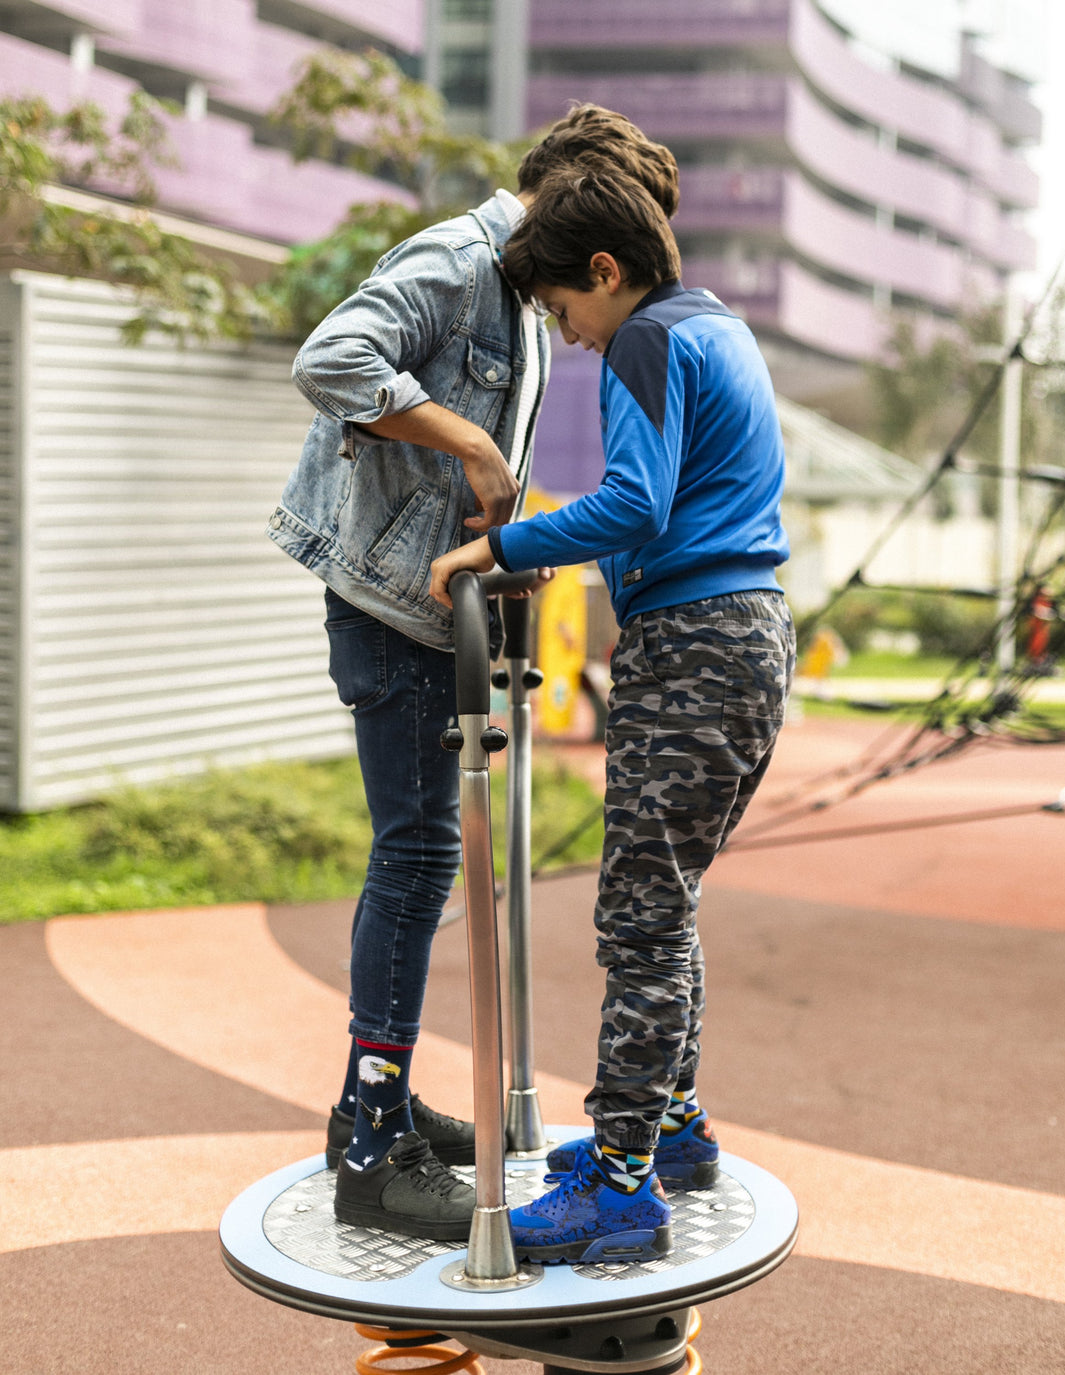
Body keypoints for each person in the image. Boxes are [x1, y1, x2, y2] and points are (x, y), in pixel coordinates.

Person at [267, 108, 680, 1241]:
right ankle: (368, 1141)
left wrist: (509, 549)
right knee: (415, 854)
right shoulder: (457, 260)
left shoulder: (520, 296)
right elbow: (330, 358)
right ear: (570, 199)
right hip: (384, 604)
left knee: (425, 853)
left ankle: (380, 1100)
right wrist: (477, 448)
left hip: (431, 595)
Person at [430, 167, 796, 1264]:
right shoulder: (714, 325)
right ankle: (668, 1131)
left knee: (637, 917)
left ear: (603, 271)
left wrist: (501, 544)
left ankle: (624, 1187)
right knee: (664, 903)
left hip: (692, 644)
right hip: (747, 631)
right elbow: (675, 498)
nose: (570, 338)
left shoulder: (643, 337)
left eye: (561, 312)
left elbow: (634, 501)